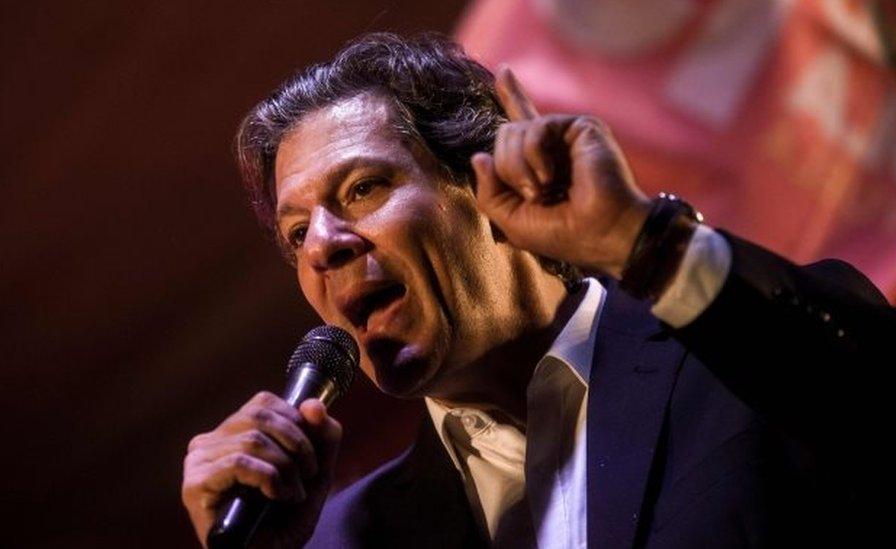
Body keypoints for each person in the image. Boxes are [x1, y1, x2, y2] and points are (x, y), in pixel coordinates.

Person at [181, 33, 894, 548]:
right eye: (296, 232)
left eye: (363, 188)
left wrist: (640, 240)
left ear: (487, 183)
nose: (323, 246)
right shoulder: (349, 533)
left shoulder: (728, 361)